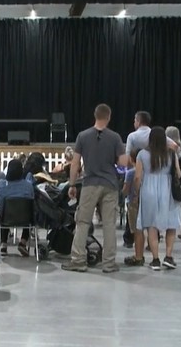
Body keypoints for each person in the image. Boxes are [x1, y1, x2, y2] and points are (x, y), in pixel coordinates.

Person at [62, 104, 127, 273]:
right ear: (109, 117)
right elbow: (122, 163)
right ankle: (109, 263)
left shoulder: (83, 136)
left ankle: (78, 260)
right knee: (109, 224)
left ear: (95, 115)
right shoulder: (115, 137)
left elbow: (75, 163)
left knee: (82, 222)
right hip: (110, 184)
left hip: (90, 184)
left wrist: (71, 184)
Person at [133, 127, 181, 270]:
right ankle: (168, 256)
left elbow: (137, 177)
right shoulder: (172, 154)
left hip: (148, 189)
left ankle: (155, 260)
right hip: (167, 190)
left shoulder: (142, 154)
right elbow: (178, 174)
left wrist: (137, 192)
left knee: (151, 225)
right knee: (171, 223)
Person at [0, 159, 35, 256]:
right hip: (25, 218)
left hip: (6, 218)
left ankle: (4, 245)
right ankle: (23, 242)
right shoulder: (28, 185)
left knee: (4, 212)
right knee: (28, 213)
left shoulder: (1, 184)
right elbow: (32, 199)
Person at [165, 126, 181, 234]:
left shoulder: (168, 149)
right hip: (180, 179)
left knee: (168, 203)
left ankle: (167, 226)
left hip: (170, 179)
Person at [122, 150, 140, 252]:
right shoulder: (144, 171)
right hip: (143, 200)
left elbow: (126, 189)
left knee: (133, 225)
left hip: (132, 201)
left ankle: (132, 244)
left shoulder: (130, 173)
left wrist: (121, 195)